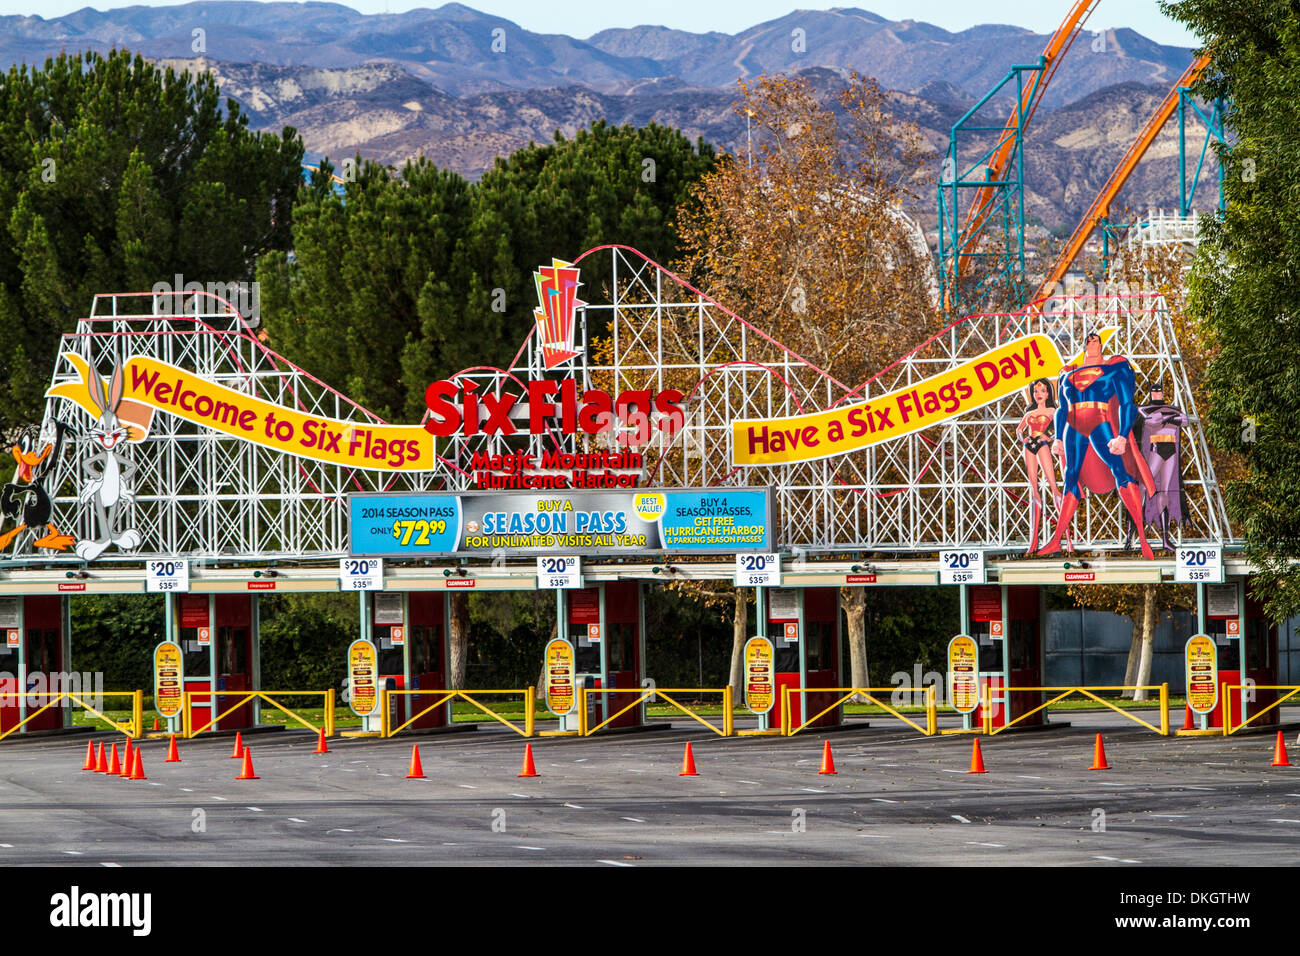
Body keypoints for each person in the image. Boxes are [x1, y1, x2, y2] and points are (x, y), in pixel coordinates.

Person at [1034, 332, 1157, 559]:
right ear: (1083, 346)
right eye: (1088, 340)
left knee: (1119, 469)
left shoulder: (1115, 368)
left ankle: (1142, 536)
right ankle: (1056, 540)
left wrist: (1122, 435)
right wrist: (1058, 438)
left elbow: (1127, 403)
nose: (1091, 341)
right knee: (1071, 476)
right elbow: (1061, 408)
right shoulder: (1067, 373)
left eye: (1095, 340)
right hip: (1073, 423)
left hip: (1099, 420)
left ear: (1101, 346)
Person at [1127, 385, 1188, 551]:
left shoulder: (1171, 408)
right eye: (1154, 391)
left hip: (1170, 450)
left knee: (1165, 493)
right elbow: (1150, 422)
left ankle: (1165, 539)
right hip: (1155, 449)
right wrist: (1169, 418)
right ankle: (1131, 534)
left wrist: (1163, 417)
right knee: (1143, 488)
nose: (1157, 393)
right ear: (1150, 393)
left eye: (1159, 391)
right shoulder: (1143, 409)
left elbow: (1184, 420)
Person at [1015, 377, 1064, 554]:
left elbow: (1061, 428)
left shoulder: (1053, 410)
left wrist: (1049, 437)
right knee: (1034, 490)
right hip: (1029, 446)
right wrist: (1023, 438)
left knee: (1054, 487)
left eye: (1042, 391)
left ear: (1049, 392)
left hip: (1042, 445)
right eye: (1036, 391)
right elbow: (1019, 430)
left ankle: (1064, 538)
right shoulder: (1029, 413)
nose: (1039, 394)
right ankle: (1034, 540)